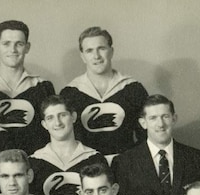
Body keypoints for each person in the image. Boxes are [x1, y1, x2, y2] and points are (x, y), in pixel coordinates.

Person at [59, 26, 148, 159]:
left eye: (101, 48)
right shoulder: (70, 93)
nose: (96, 56)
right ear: (83, 56)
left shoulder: (133, 89)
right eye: (89, 51)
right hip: (87, 168)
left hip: (127, 165)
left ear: (111, 52)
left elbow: (146, 135)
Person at [0, 20, 55, 154]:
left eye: (19, 44)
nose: (12, 50)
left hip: (32, 163)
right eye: (6, 44)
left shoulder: (42, 87)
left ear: (27, 47)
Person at [29, 95, 106, 195]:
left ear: (73, 117)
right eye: (50, 118)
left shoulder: (94, 158)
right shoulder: (34, 162)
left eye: (62, 115)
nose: (57, 122)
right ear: (44, 124)